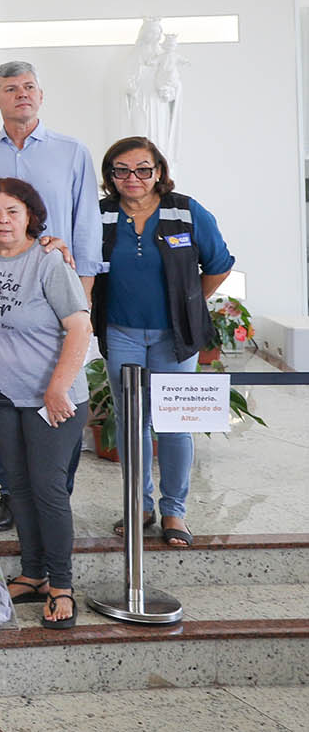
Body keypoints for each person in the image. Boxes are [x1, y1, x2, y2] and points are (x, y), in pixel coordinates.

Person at [0, 62, 100, 532]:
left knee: (60, 396)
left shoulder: (71, 151)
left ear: (41, 94)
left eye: (29, 87)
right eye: (10, 89)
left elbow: (85, 225)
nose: (21, 94)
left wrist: (83, 297)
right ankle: (10, 493)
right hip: (2, 297)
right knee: (1, 395)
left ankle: (56, 493)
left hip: (56, 289)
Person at [89, 137, 233, 548]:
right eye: (121, 170)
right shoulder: (100, 215)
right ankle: (139, 505)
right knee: (132, 424)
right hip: (121, 333)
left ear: (159, 172)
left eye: (142, 169)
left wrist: (189, 303)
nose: (132, 178)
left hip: (175, 338)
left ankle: (175, 511)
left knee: (175, 424)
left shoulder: (185, 210)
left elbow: (219, 264)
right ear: (110, 175)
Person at [0, 177, 91, 630]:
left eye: (12, 212)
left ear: (30, 217)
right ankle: (33, 573)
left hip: (50, 396)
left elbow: (80, 327)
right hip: (1, 390)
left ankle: (61, 584)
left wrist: (57, 388)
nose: (2, 220)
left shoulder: (50, 261)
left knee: (47, 489)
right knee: (16, 486)